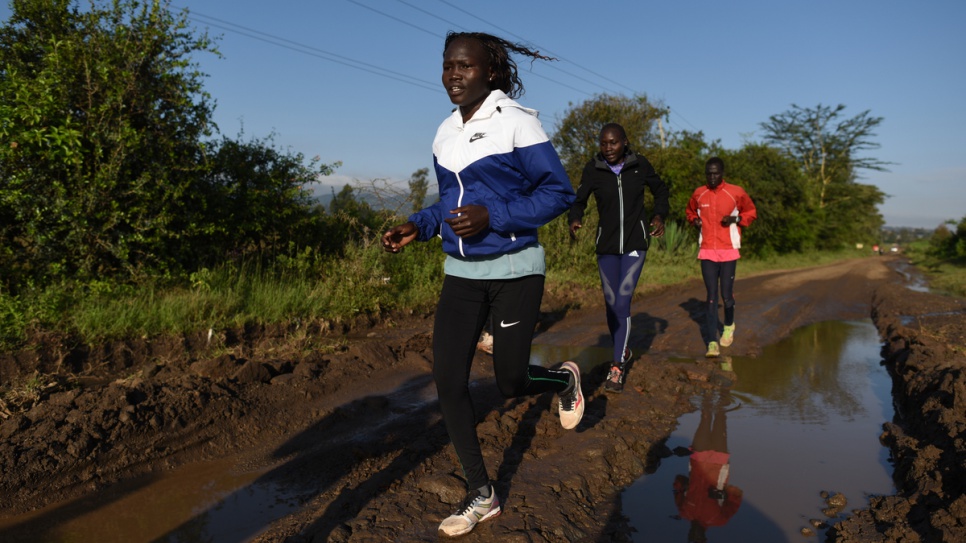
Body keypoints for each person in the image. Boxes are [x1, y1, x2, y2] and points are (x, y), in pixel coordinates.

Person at [381, 31, 583, 538]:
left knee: (510, 382)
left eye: (465, 66)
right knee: (448, 381)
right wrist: (420, 225)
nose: (453, 74)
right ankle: (482, 492)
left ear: (489, 71)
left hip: (516, 269)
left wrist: (494, 215)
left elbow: (558, 192)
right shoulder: (444, 132)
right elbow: (451, 204)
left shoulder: (515, 122)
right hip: (461, 275)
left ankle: (563, 381)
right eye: (448, 65)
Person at [568, 123, 669, 393]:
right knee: (612, 304)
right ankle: (622, 351)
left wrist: (659, 215)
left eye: (613, 142)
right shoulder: (594, 168)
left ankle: (617, 365)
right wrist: (575, 218)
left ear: (624, 142)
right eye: (603, 143)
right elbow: (579, 200)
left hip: (636, 243)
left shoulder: (639, 165)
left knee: (623, 299)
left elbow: (661, 190)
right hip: (607, 246)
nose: (608, 148)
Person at [685, 157, 757, 358]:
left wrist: (736, 219)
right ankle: (711, 342)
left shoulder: (735, 192)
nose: (712, 177)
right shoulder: (699, 193)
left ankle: (728, 325)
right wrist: (695, 221)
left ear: (722, 173)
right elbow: (690, 213)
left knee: (726, 295)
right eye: (709, 173)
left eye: (716, 173)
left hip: (728, 249)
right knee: (710, 296)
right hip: (707, 249)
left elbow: (751, 212)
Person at [673, 388, 744, 541]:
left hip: (698, 458)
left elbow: (677, 484)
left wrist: (685, 486)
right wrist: (724, 493)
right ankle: (724, 390)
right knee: (720, 418)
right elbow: (736, 498)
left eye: (692, 537)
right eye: (698, 539)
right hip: (719, 460)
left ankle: (708, 389)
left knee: (705, 417)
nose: (695, 535)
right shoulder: (718, 520)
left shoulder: (684, 511)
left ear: (689, 534)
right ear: (704, 538)